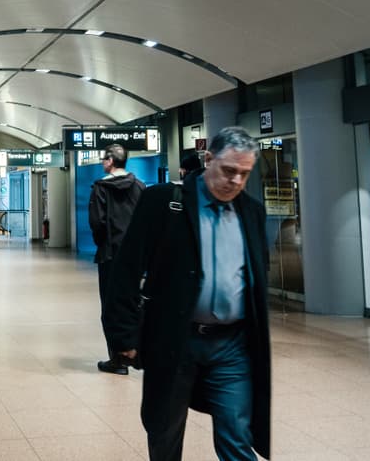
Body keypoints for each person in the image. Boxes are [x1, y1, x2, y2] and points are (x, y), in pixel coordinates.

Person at [107, 126, 271, 461]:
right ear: (208, 159)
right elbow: (125, 270)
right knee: (165, 431)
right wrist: (122, 336)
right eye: (229, 171)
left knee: (238, 435)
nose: (236, 182)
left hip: (232, 346)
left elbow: (257, 275)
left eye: (245, 174)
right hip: (175, 341)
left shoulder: (251, 211)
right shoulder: (164, 202)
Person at [88, 143, 145, 375]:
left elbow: (97, 223)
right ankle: (135, 350)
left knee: (111, 306)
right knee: (133, 303)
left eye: (104, 159)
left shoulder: (100, 188)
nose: (103, 162)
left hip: (111, 255)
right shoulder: (140, 187)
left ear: (110, 161)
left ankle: (118, 359)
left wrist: (104, 244)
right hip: (136, 257)